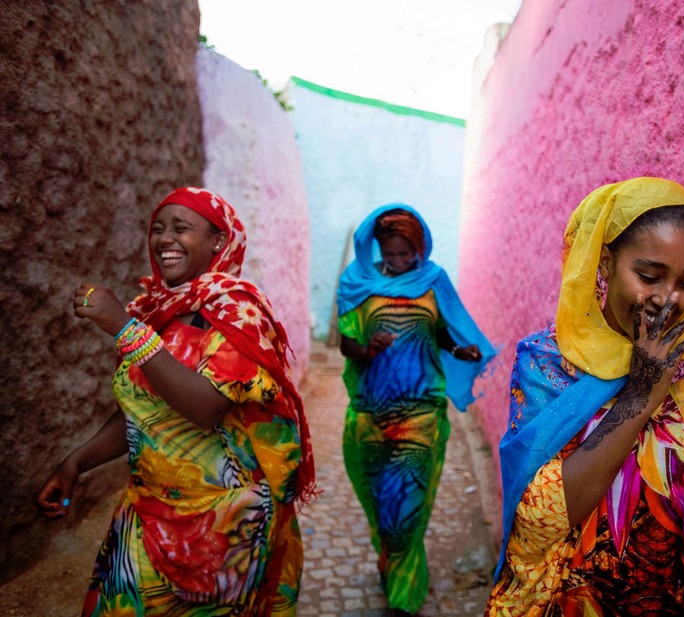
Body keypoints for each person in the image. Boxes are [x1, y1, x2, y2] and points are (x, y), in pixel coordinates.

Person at [486, 177, 684, 615]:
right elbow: (537, 521)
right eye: (649, 276)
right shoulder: (548, 363)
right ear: (606, 262)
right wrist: (640, 396)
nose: (667, 299)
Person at [36, 187, 316, 616]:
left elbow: (205, 408)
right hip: (145, 515)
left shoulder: (238, 313)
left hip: (223, 530)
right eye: (158, 229)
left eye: (181, 229)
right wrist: (76, 462)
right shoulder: (157, 312)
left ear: (218, 241)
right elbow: (145, 414)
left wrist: (126, 329)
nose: (164, 238)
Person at [336, 204, 496, 615]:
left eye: (406, 254)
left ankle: (404, 597)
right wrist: (367, 348)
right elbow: (345, 343)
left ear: (419, 248)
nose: (399, 262)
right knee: (381, 505)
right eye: (390, 254)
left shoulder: (433, 280)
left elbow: (440, 333)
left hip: (420, 416)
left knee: (404, 510)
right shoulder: (359, 282)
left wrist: (460, 348)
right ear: (376, 247)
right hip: (371, 416)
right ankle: (393, 564)